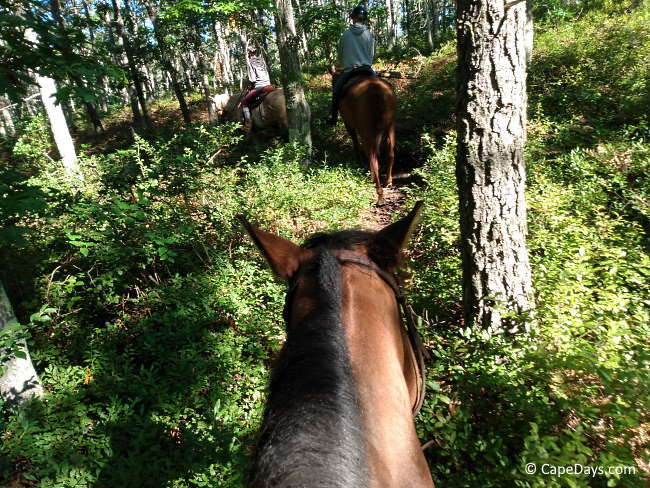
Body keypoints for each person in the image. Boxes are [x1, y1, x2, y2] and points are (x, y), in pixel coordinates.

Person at [329, 5, 375, 126]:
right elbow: (371, 54)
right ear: (364, 19)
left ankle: (333, 118)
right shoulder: (369, 34)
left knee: (336, 92)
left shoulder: (345, 35)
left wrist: (343, 65)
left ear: (353, 18)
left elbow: (341, 56)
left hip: (350, 71)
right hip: (367, 70)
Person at [241, 45, 272, 133]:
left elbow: (253, 79)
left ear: (249, 53)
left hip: (260, 86)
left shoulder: (250, 62)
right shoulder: (262, 60)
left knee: (244, 102)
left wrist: (249, 84)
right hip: (269, 85)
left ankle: (248, 124)